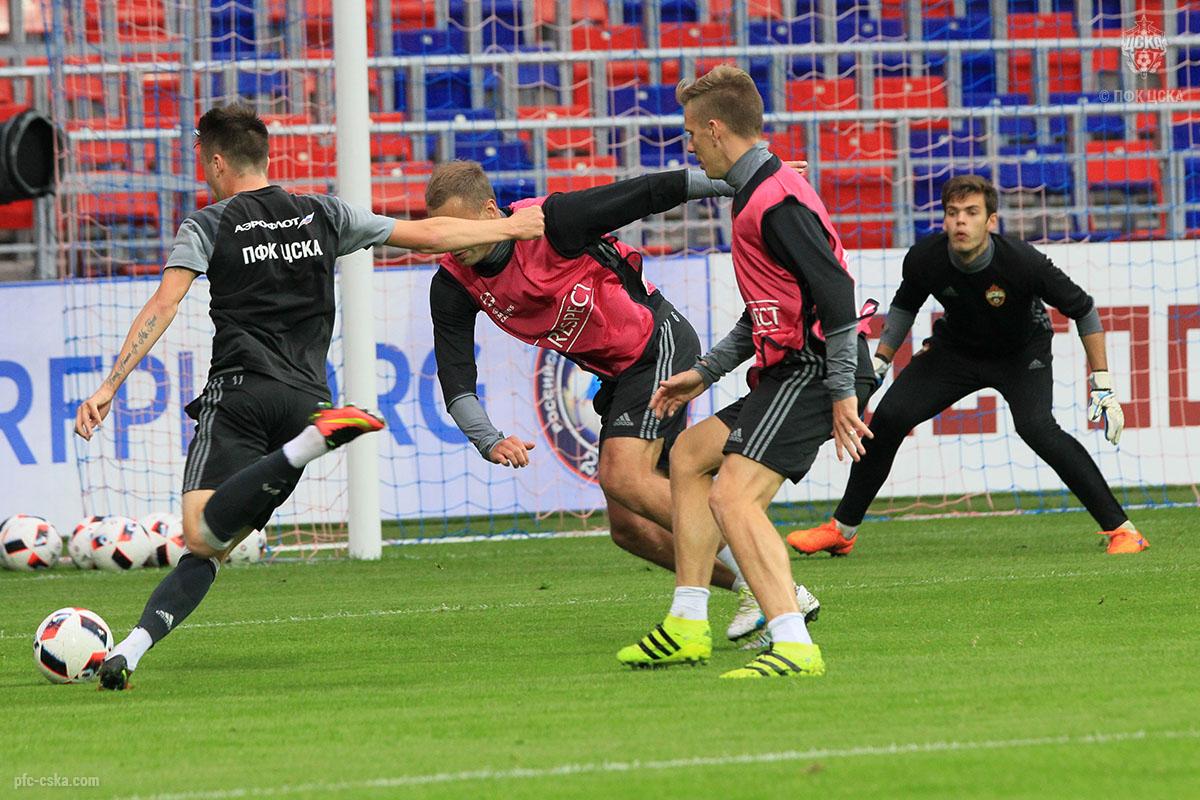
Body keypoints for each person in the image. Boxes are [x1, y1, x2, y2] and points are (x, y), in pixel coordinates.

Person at [74, 103, 545, 690]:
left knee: (197, 531)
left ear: (216, 162)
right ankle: (130, 651)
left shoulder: (208, 223)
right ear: (265, 156)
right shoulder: (323, 213)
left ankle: (306, 447)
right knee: (212, 550)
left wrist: (110, 385)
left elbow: (163, 305)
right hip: (306, 402)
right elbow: (427, 236)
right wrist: (510, 227)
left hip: (241, 394)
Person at [424, 160, 820, 641]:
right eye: (442, 231)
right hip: (616, 376)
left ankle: (773, 587)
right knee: (630, 529)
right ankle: (758, 588)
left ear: (491, 212)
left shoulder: (555, 222)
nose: (453, 241)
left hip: (657, 343)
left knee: (622, 475)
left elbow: (650, 191)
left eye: (460, 227)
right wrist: (488, 439)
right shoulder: (452, 284)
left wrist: (747, 180)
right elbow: (456, 380)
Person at [617, 65, 875, 679]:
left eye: (690, 132)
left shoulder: (775, 200)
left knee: (733, 496)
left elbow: (836, 294)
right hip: (794, 368)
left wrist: (842, 391)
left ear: (715, 129)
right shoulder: (755, 192)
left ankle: (793, 642)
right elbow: (767, 308)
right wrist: (704, 373)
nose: (688, 145)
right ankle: (687, 622)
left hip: (814, 369)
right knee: (688, 456)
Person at [787, 174, 1147, 558]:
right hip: (955, 352)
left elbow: (1084, 310)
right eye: (952, 212)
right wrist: (880, 362)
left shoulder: (1022, 261)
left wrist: (1102, 384)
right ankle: (842, 531)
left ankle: (1123, 531)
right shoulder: (925, 258)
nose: (960, 221)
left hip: (1021, 354)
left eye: (972, 212)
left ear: (991, 221)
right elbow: (905, 306)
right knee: (890, 417)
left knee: (1037, 428)